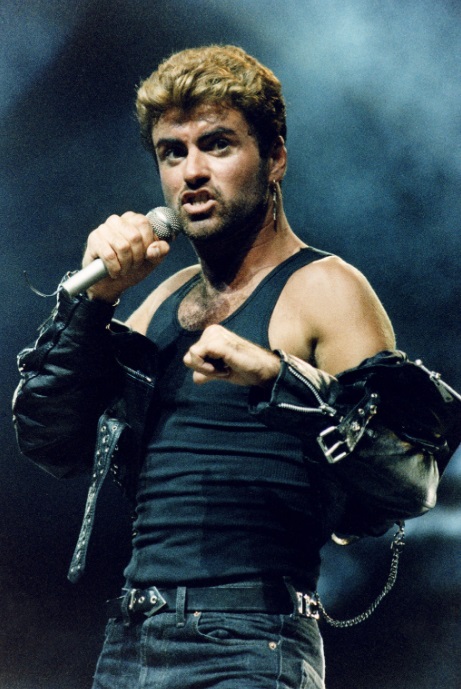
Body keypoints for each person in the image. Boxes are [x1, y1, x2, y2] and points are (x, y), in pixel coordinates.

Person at [13, 45, 445, 688]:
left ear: (276, 158)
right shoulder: (156, 300)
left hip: (251, 644)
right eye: (172, 152)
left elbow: (410, 480)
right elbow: (49, 441)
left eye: (217, 145)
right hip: (131, 643)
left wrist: (279, 377)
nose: (192, 172)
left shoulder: (326, 289)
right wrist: (93, 303)